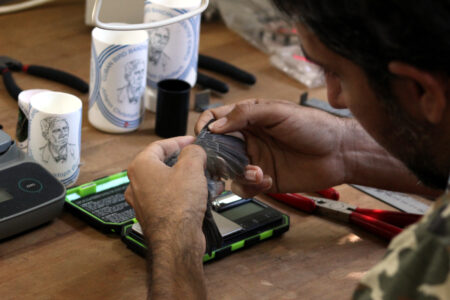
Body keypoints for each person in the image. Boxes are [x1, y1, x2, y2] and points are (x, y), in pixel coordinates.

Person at [124, 0, 450, 299]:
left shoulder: (427, 267)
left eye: (338, 73)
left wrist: (175, 240)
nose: (334, 98)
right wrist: (342, 151)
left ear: (422, 90)